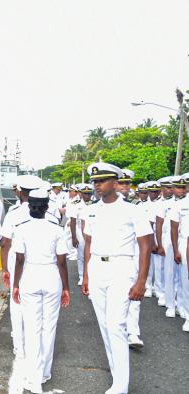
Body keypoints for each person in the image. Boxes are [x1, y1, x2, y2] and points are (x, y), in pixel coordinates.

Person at [82, 162, 151, 394]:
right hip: (97, 267)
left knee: (115, 325)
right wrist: (86, 276)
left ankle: (121, 385)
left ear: (115, 182)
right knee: (104, 327)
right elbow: (88, 244)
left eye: (101, 181)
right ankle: (117, 376)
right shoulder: (92, 209)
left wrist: (142, 280)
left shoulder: (133, 210)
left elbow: (145, 245)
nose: (97, 185)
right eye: (94, 182)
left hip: (122, 267)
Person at [12, 187, 70, 394]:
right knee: (49, 327)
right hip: (52, 276)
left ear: (29, 207)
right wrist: (66, 288)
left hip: (30, 276)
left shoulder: (21, 228)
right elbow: (62, 262)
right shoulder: (57, 229)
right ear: (47, 207)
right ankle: (44, 373)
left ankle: (34, 377)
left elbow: (19, 259)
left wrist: (16, 285)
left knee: (32, 328)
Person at [0, 174, 43, 358]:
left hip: (16, 261)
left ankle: (19, 346)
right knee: (37, 305)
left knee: (16, 303)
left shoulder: (14, 213)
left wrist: (4, 269)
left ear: (19, 191)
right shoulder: (46, 212)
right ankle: (36, 345)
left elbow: (4, 242)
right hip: (39, 263)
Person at [115, 169, 148, 349]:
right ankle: (118, 330)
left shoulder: (137, 206)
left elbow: (145, 239)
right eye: (122, 183)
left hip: (133, 255)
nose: (125, 187)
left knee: (133, 293)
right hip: (112, 258)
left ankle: (133, 332)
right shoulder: (101, 205)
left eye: (127, 183)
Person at [155, 176, 179, 316]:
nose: (171, 190)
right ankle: (163, 293)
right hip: (166, 238)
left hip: (181, 238)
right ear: (162, 189)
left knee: (178, 272)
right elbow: (158, 224)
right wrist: (159, 243)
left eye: (172, 187)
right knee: (164, 269)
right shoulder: (161, 204)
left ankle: (178, 300)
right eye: (168, 188)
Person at [168, 173, 189, 332]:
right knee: (185, 279)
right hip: (184, 242)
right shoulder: (180, 204)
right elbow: (174, 228)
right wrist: (176, 249)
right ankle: (187, 315)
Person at [69, 183, 93, 286]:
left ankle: (91, 275)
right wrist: (74, 237)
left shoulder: (95, 203)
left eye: (89, 193)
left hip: (92, 230)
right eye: (85, 194)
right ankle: (81, 276)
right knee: (81, 255)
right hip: (79, 229)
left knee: (92, 254)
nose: (87, 196)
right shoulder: (76, 204)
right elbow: (73, 221)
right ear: (81, 194)